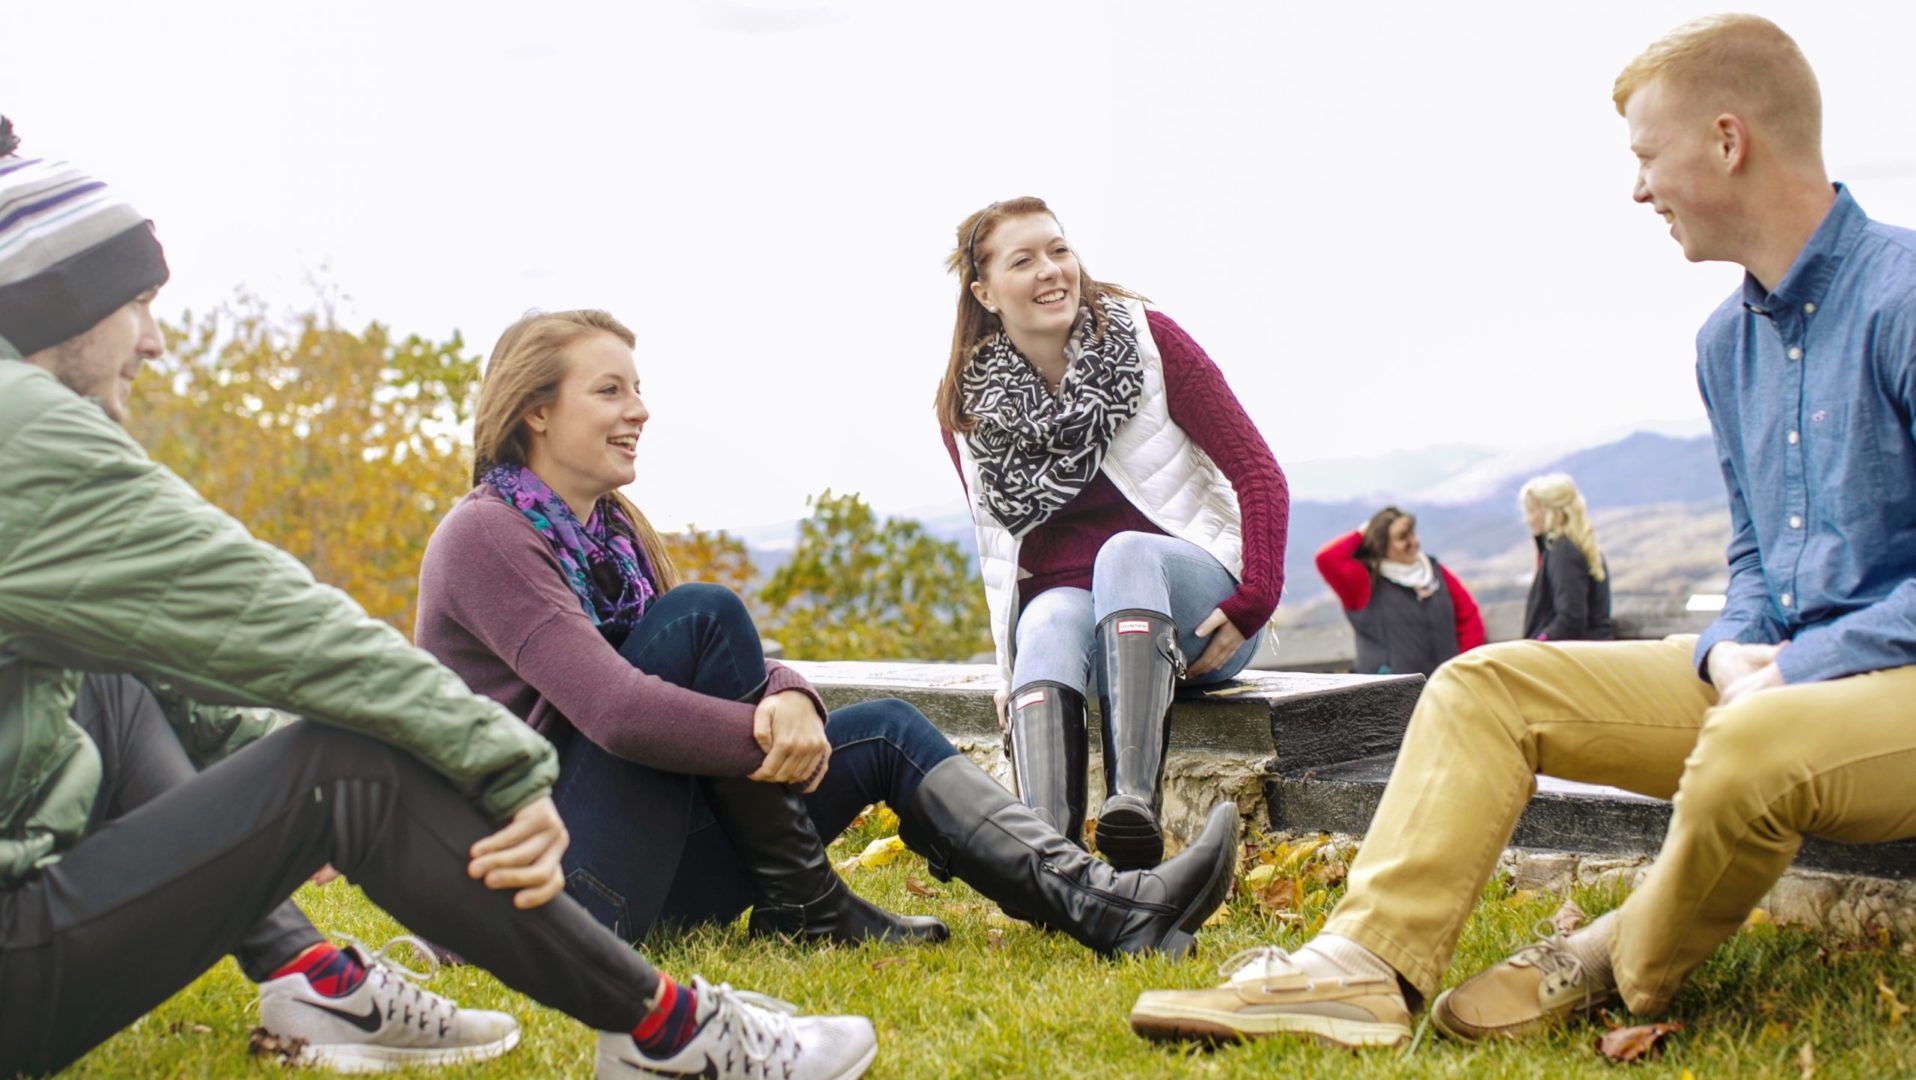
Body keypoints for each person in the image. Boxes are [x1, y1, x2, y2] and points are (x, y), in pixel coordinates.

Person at [0, 120, 878, 1080]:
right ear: (63, 305)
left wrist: (264, 797)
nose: (157, 341)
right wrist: (495, 764)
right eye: (137, 303)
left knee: (118, 681)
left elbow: (175, 668)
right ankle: (669, 1034)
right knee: (344, 762)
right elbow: (270, 617)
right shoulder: (22, 433)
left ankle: (310, 972)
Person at [1128, 13, 1916, 1050]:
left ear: (1726, 141)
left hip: (1874, 697)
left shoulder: (1900, 297)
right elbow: (1754, 557)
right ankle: (1360, 968)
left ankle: (1610, 956)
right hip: (1776, 686)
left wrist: (1807, 661)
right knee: (1480, 685)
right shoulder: (1724, 343)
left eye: (1645, 155)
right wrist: (1730, 646)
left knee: (1750, 745)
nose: (1637, 189)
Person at [413, 308, 1240, 962]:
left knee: (885, 731)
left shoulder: (614, 534)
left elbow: (702, 681)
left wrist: (791, 695)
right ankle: (813, 907)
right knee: (704, 613)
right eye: (610, 390)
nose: (640, 409)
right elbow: (619, 710)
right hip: (538, 896)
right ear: (534, 412)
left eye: (637, 387)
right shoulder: (486, 537)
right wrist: (763, 727)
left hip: (633, 868)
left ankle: (1107, 903)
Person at [935, 197, 1289, 870]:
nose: (1051, 271)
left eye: (1058, 249)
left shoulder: (1149, 343)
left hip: (1198, 614)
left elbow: (1258, 473)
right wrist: (1013, 673)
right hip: (1094, 639)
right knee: (1041, 623)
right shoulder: (967, 409)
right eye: (1024, 260)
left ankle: (1133, 807)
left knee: (1121, 553)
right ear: (984, 292)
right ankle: (1049, 858)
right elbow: (999, 555)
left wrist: (1256, 600)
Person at [1314, 507, 1485, 677]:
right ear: (1381, 544)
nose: (1414, 542)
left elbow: (1468, 616)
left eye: (1412, 534)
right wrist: (1365, 531)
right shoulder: (1363, 581)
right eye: (1402, 537)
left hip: (1441, 688)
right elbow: (1326, 559)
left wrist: (1462, 666)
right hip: (1386, 695)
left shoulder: (1434, 571)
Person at [1519, 474, 1615, 641]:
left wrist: (1537, 644)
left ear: (1550, 512)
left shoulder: (1563, 551)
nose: (1528, 519)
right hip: (1589, 654)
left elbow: (1571, 618)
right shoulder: (1578, 547)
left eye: (1533, 511)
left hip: (1573, 659)